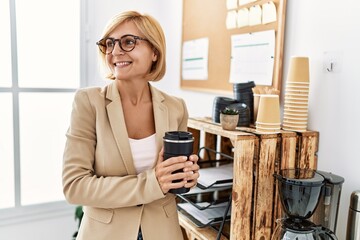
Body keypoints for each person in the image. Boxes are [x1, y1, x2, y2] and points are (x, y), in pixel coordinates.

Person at [62, 10, 200, 240]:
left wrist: (185, 176)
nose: (115, 51)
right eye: (109, 43)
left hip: (162, 232)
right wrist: (152, 183)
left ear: (154, 52)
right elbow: (75, 186)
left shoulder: (177, 108)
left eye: (128, 42)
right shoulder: (89, 103)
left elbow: (171, 183)